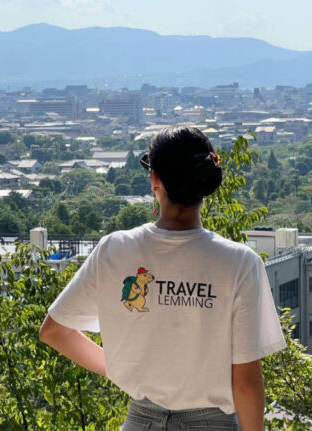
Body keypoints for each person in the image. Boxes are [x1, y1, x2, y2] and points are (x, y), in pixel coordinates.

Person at [39, 126, 286, 431]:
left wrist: (121, 368)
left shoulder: (114, 250)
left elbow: (54, 331)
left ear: (155, 180)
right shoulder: (239, 263)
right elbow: (245, 383)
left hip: (139, 421)